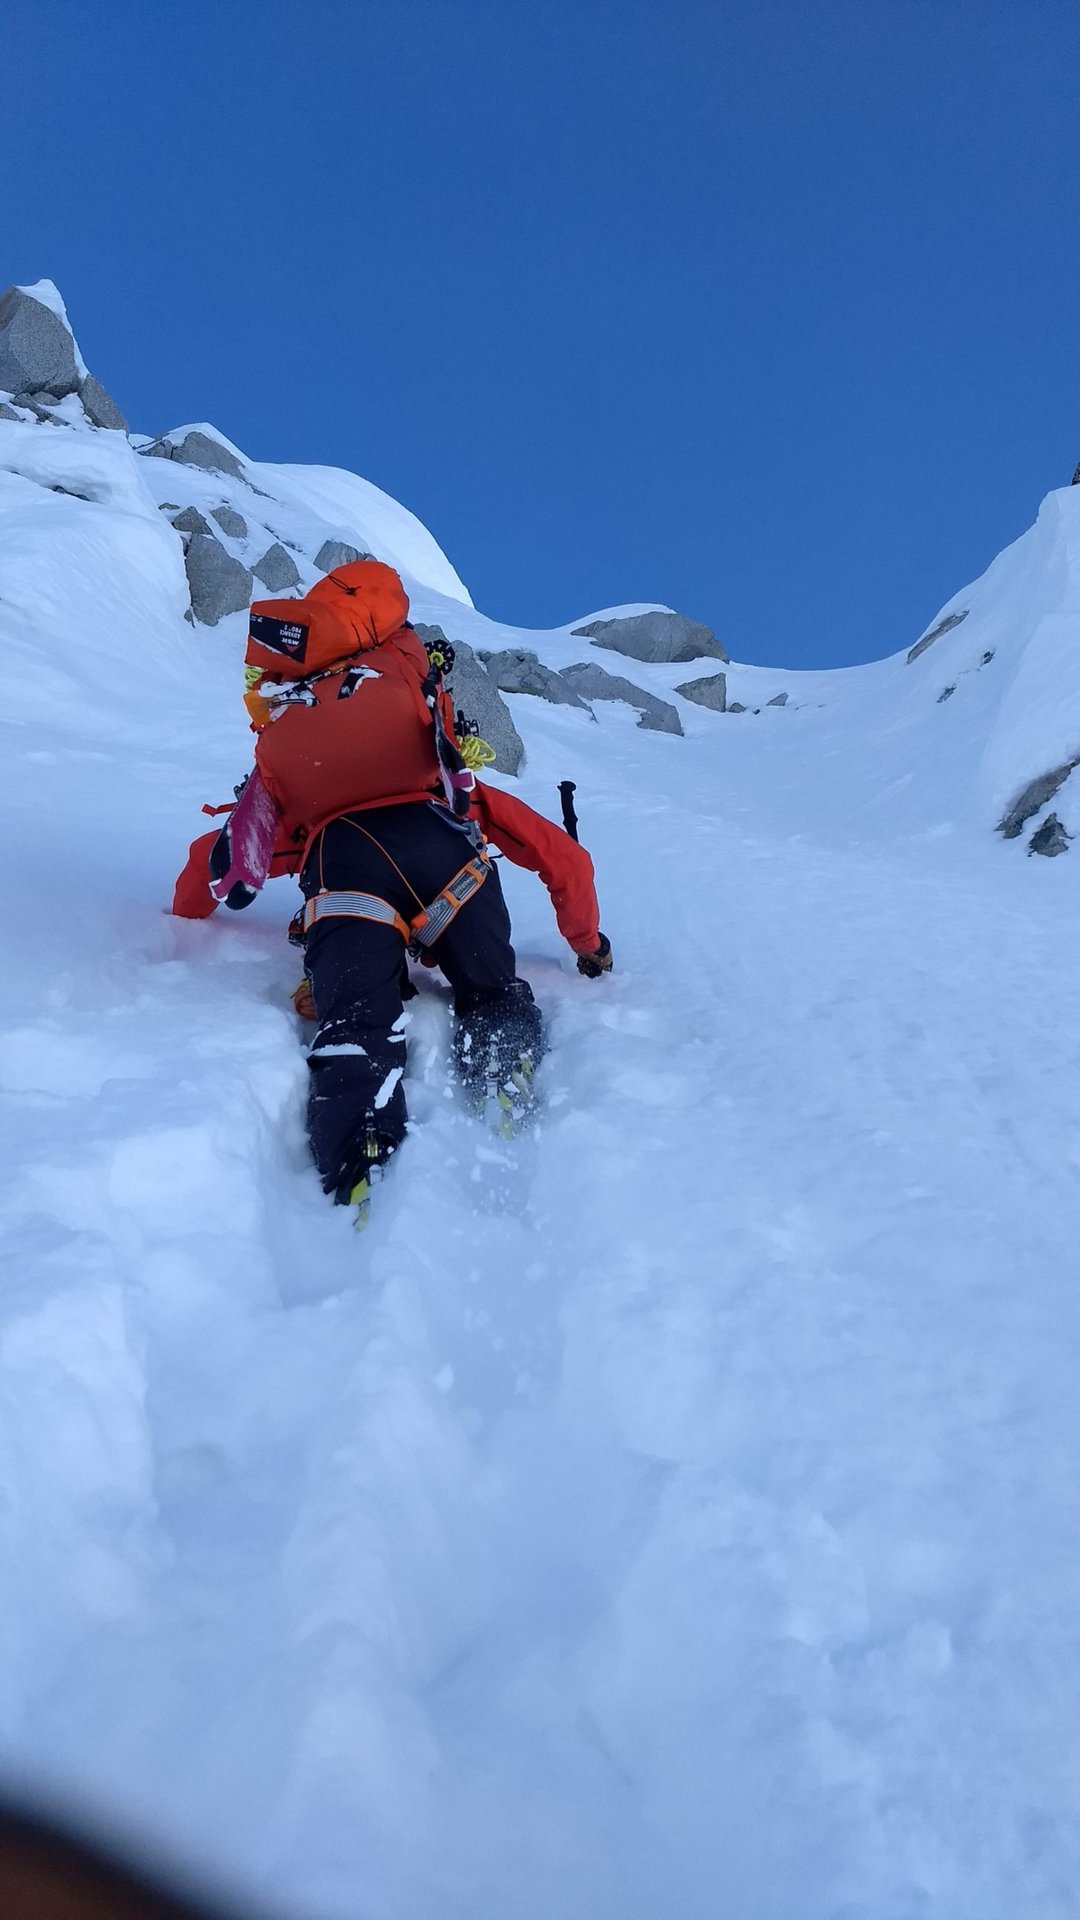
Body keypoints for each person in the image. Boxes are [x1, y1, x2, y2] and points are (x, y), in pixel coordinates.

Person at [172, 559, 611, 1210]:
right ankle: (503, 1067)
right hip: (451, 864)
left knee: (355, 1023)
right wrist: (587, 945)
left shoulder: (293, 768)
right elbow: (564, 861)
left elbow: (215, 862)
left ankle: (358, 1158)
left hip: (345, 870)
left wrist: (179, 920)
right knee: (491, 992)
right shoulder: (443, 771)